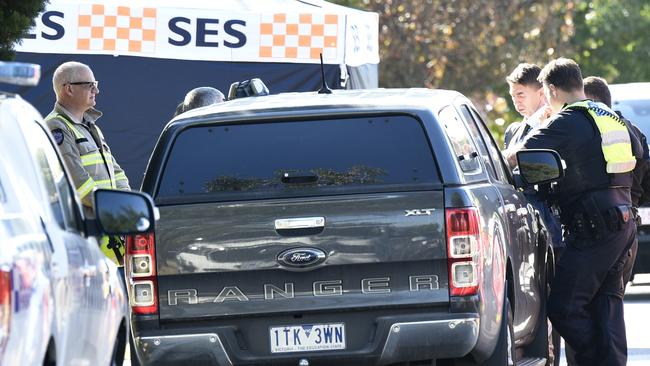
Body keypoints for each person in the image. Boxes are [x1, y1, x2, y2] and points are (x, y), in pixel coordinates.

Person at [505, 58, 638, 366]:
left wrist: (538, 123)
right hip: (623, 222)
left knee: (564, 306)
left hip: (594, 227)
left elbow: (516, 157)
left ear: (551, 90)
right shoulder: (612, 117)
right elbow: (640, 160)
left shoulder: (565, 121)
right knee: (605, 305)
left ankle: (594, 361)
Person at [504, 63, 564, 366]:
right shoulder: (514, 130)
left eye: (521, 93)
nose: (516, 100)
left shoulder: (552, 122)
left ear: (541, 93)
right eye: (513, 94)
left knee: (550, 303)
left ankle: (551, 357)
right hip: (518, 226)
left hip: (546, 225)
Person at [45, 61, 130, 266]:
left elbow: (115, 170)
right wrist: (113, 209)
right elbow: (77, 181)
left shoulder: (90, 126)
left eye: (96, 83)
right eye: (89, 84)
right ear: (69, 89)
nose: (96, 90)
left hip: (107, 230)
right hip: (85, 236)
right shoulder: (56, 126)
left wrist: (125, 203)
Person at [584, 76, 650, 285]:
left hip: (603, 227)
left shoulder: (596, 131)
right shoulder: (634, 131)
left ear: (592, 102)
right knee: (612, 299)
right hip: (628, 222)